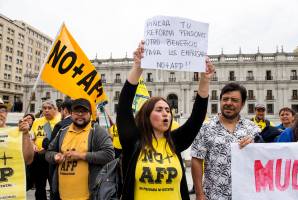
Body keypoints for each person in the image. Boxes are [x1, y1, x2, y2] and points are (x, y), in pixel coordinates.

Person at [116, 41, 214, 200]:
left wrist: (205, 79)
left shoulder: (176, 141)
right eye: (159, 110)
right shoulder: (133, 141)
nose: (166, 114)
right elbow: (124, 106)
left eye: (168, 110)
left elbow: (196, 118)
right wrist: (138, 67)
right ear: (146, 116)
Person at [191, 83, 261, 200]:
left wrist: (256, 145)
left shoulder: (253, 129)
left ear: (242, 104)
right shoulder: (205, 127)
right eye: (225, 99)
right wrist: (199, 193)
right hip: (213, 196)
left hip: (246, 195)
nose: (229, 103)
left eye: (234, 100)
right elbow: (197, 160)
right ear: (220, 101)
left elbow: (263, 158)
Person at [45, 98, 114, 200]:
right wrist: (55, 156)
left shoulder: (97, 131)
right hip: (61, 195)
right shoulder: (63, 131)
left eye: (84, 111)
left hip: (88, 196)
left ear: (90, 114)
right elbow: (48, 153)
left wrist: (81, 155)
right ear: (71, 113)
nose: (80, 114)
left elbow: (109, 155)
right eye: (77, 111)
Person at [30, 100, 61, 200]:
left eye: (49, 108)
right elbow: (31, 136)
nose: (46, 110)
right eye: (44, 108)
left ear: (55, 109)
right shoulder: (37, 121)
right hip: (38, 158)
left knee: (54, 186)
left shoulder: (60, 121)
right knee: (39, 186)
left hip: (53, 157)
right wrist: (32, 145)